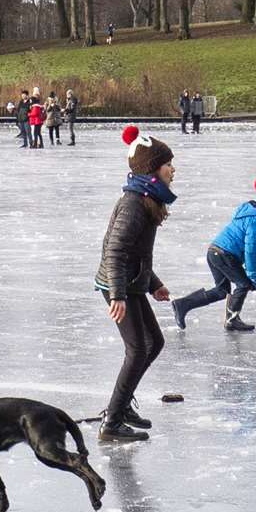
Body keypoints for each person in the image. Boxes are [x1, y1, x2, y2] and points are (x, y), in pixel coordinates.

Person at [93, 125, 177, 443]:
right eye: (168, 163)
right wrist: (117, 295)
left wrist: (152, 282)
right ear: (152, 169)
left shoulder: (147, 198)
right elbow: (115, 250)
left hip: (130, 283)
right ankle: (112, 421)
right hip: (117, 284)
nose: (173, 169)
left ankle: (123, 406)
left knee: (153, 343)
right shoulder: (133, 204)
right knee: (138, 348)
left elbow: (138, 252)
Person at [172, 177, 256, 332]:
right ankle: (232, 320)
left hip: (215, 251)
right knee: (244, 284)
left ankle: (183, 304)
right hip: (225, 254)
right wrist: (252, 274)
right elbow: (251, 249)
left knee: (221, 291)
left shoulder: (252, 211)